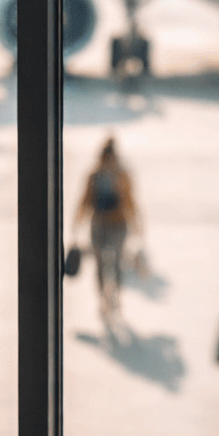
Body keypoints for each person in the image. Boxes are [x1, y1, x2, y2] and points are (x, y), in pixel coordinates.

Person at [74, 138, 139, 322]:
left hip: (117, 223)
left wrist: (135, 224)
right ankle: (104, 296)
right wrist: (78, 221)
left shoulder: (122, 176)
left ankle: (115, 296)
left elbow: (130, 200)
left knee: (116, 261)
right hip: (99, 223)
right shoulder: (95, 176)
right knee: (101, 263)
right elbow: (85, 199)